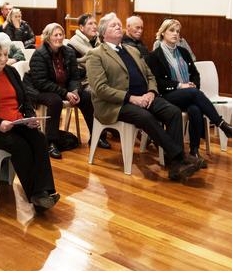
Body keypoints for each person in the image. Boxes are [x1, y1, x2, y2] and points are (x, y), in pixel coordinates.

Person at [86, 12, 203, 181]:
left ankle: (174, 166)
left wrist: (151, 92)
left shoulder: (132, 50)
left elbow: (150, 76)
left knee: (173, 112)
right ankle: (180, 156)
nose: (118, 26)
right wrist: (131, 98)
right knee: (146, 117)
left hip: (144, 97)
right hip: (116, 104)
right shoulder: (96, 54)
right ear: (103, 33)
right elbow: (100, 89)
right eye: (113, 25)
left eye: (119, 24)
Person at [0, 31, 59, 210]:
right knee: (19, 146)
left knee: (39, 138)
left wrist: (30, 116)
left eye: (6, 55)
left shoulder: (11, 71)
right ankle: (35, 196)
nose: (3, 59)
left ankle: (45, 191)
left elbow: (25, 99)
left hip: (15, 123)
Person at [146, 19, 232, 162]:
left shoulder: (183, 52)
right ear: (162, 33)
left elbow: (195, 73)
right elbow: (159, 82)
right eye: (171, 30)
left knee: (195, 109)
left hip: (187, 94)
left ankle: (194, 152)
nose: (175, 34)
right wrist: (180, 86)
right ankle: (222, 125)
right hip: (167, 95)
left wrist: (193, 85)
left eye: (178, 32)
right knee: (193, 94)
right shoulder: (155, 56)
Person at [24, 23, 109, 159]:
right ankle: (51, 142)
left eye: (61, 34)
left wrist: (74, 91)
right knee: (55, 101)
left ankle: (97, 136)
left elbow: (75, 76)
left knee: (87, 96)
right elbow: (41, 82)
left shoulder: (68, 52)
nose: (59, 37)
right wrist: (65, 94)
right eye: (55, 35)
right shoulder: (39, 54)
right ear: (47, 37)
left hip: (63, 88)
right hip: (39, 89)